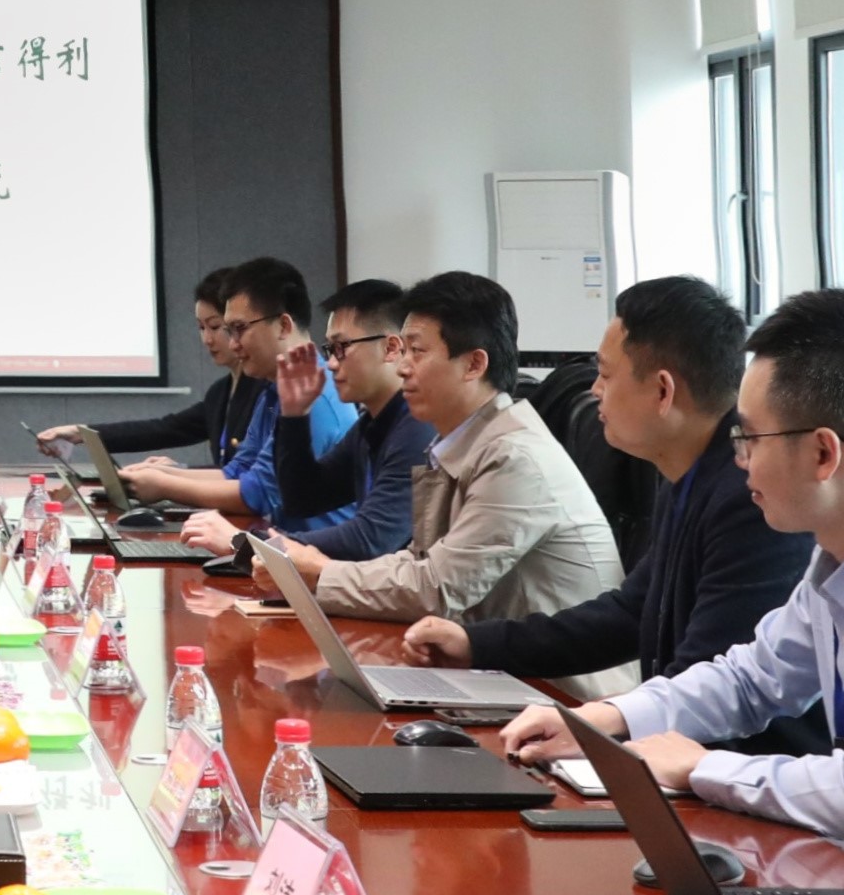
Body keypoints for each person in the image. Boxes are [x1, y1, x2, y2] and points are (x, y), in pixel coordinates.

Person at [503, 288, 844, 853]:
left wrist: (701, 767)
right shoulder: (842, 551)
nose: (739, 459)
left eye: (749, 437)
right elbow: (750, 678)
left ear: (823, 454)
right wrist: (603, 719)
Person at [401, 277, 813, 748]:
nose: (594, 390)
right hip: (678, 748)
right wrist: (476, 645)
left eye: (605, 374)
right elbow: (629, 614)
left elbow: (707, 689)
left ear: (663, 391)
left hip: (737, 772)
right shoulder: (691, 476)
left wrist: (601, 731)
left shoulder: (751, 499)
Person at [256, 272, 625, 694]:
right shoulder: (456, 441)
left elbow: (435, 588)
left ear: (474, 364)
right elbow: (419, 563)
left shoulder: (514, 457)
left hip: (564, 696)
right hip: (499, 675)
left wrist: (322, 574)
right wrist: (317, 572)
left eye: (417, 351)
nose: (402, 366)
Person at [181, 279, 430, 560]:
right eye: (330, 349)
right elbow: (301, 500)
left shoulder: (417, 428)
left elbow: (370, 539)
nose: (332, 363)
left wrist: (244, 543)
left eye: (342, 347)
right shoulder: (372, 425)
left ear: (391, 348)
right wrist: (294, 416)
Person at [119, 258, 354, 525]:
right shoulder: (273, 391)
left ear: (283, 326)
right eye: (229, 331)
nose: (233, 344)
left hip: (309, 549)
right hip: (278, 542)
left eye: (240, 329)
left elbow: (258, 495)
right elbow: (239, 470)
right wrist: (163, 475)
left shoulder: (316, 397)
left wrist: (164, 486)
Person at [35, 268, 281, 469]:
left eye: (215, 327)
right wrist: (80, 433)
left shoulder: (267, 389)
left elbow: (251, 475)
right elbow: (165, 429)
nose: (207, 339)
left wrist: (178, 474)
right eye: (201, 328)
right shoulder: (220, 392)